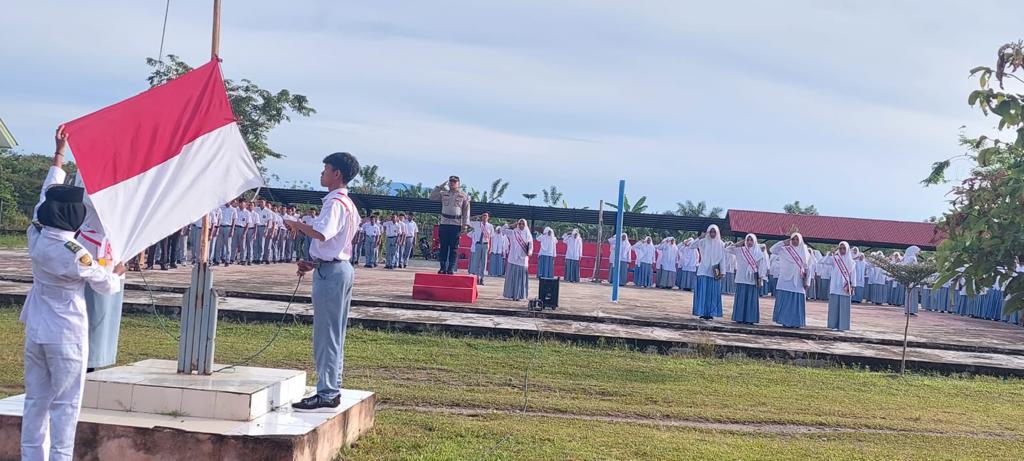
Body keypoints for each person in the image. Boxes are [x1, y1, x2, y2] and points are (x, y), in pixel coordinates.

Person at [22, 127, 127, 459]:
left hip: (37, 328)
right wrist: (118, 270)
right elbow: (106, 285)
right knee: (65, 405)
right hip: (66, 334)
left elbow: (45, 197)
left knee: (36, 400)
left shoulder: (36, 233)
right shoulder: (74, 253)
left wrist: (59, 155)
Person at [283, 152, 361, 411]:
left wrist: (297, 223)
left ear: (336, 174)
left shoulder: (335, 202)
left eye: (326, 169)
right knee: (334, 333)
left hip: (332, 272)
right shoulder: (348, 203)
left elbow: (323, 233)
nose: (322, 173)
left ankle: (327, 392)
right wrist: (314, 261)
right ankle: (331, 388)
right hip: (336, 268)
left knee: (325, 335)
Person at [770, 233, 813, 328]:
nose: (795, 241)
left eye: (797, 239)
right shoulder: (785, 250)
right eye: (793, 239)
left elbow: (808, 267)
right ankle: (784, 320)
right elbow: (772, 249)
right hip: (785, 279)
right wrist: (785, 241)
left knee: (796, 302)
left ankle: (796, 322)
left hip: (798, 280)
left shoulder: (805, 252)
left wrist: (807, 281)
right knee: (785, 300)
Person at [430, 176, 470, 274]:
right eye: (451, 182)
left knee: (454, 248)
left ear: (458, 183)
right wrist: (440, 186)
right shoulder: (443, 194)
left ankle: (451, 268)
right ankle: (442, 267)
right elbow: (431, 197)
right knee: (443, 246)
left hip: (456, 224)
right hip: (444, 223)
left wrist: (465, 225)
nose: (452, 183)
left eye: (454, 182)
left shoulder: (463, 195)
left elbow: (466, 211)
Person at [726, 234, 767, 324]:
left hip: (753, 279)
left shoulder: (758, 253)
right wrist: (740, 243)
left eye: (751, 240)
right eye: (747, 240)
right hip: (741, 278)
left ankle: (750, 319)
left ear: (755, 241)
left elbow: (761, 267)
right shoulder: (740, 250)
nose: (749, 242)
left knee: (751, 300)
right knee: (741, 299)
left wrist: (760, 279)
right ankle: (739, 317)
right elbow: (728, 249)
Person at [690, 225, 726, 320]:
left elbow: (722, 258)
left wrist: (722, 271)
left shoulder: (721, 244)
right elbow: (692, 246)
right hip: (703, 271)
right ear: (708, 232)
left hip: (715, 272)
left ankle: (711, 313)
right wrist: (700, 237)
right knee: (703, 293)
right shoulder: (703, 242)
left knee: (712, 294)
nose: (713, 234)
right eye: (711, 232)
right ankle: (702, 312)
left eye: (714, 232)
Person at [820, 242, 856, 331]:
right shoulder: (835, 258)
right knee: (834, 307)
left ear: (847, 249)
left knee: (844, 307)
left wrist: (853, 286)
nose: (842, 250)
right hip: (835, 286)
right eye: (840, 248)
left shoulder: (851, 262)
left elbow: (853, 275)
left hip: (845, 287)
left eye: (844, 248)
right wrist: (830, 254)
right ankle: (833, 325)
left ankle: (843, 326)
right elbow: (823, 262)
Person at [503, 219, 534, 301]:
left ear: (525, 225)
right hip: (513, 258)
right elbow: (503, 230)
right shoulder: (513, 232)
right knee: (512, 277)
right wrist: (512, 225)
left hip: (523, 259)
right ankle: (511, 294)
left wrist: (530, 252)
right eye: (519, 223)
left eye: (523, 224)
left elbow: (530, 245)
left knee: (521, 278)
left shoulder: (528, 234)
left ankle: (519, 295)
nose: (521, 225)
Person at [467, 212, 494, 285]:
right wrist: (476, 216)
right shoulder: (476, 224)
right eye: (483, 216)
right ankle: (476, 278)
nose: (484, 217)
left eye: (486, 216)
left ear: (488, 218)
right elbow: (467, 220)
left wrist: (491, 247)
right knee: (476, 262)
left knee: (483, 262)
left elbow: (491, 237)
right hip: (478, 244)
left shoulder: (490, 226)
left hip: (485, 245)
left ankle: (482, 278)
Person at [901, 246, 922, 315]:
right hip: (911, 278)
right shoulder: (912, 258)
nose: (918, 253)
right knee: (911, 294)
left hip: (912, 278)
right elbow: (908, 267)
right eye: (918, 252)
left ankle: (909, 310)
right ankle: (911, 310)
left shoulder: (911, 258)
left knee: (910, 294)